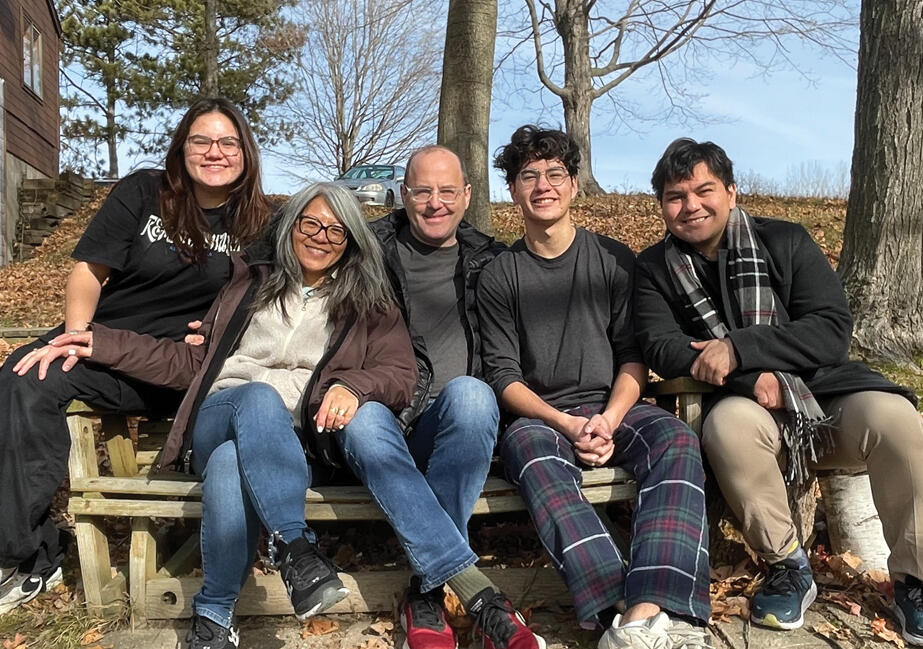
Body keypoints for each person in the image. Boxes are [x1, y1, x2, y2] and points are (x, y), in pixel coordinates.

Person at [32, 183, 418, 648]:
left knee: (231, 464)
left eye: (337, 231)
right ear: (291, 227)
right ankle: (295, 546)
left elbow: (399, 373)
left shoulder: (358, 302)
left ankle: (214, 615)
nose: (321, 237)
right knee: (254, 397)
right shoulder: (249, 284)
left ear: (350, 242)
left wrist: (353, 388)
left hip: (283, 445)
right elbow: (191, 361)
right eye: (310, 223)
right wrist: (104, 341)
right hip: (219, 415)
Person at [634, 137, 923, 641]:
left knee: (896, 419)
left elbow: (832, 330)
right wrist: (749, 375)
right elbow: (662, 347)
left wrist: (741, 348)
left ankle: (914, 578)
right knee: (726, 429)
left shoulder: (785, 241)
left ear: (731, 191)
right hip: (747, 409)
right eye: (675, 197)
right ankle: (788, 565)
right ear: (662, 205)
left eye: (704, 190)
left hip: (828, 399)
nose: (691, 206)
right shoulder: (654, 268)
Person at [0, 97, 273, 617]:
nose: (214, 152)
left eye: (228, 142)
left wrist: (217, 335)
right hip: (98, 340)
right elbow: (89, 269)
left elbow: (262, 304)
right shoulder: (145, 191)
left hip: (167, 368)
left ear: (246, 153)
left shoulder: (261, 223)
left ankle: (18, 554)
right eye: (201, 141)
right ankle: (27, 553)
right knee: (19, 380)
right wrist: (76, 337)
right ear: (182, 148)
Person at [479, 125, 712, 649]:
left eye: (555, 173)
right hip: (541, 418)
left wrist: (607, 418)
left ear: (575, 184)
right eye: (528, 175)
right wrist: (565, 422)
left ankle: (646, 611)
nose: (543, 184)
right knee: (534, 458)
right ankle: (619, 611)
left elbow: (634, 357)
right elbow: (504, 376)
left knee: (676, 439)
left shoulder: (612, 259)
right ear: (513, 189)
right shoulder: (500, 275)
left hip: (618, 406)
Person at [334, 145, 543, 649]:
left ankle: (425, 594)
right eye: (422, 191)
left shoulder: (492, 260)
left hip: (453, 430)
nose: (435, 202)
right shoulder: (367, 248)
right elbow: (283, 252)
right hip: (382, 420)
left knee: (473, 394)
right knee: (362, 420)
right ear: (403, 195)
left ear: (467, 196)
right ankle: (475, 596)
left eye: (447, 191)